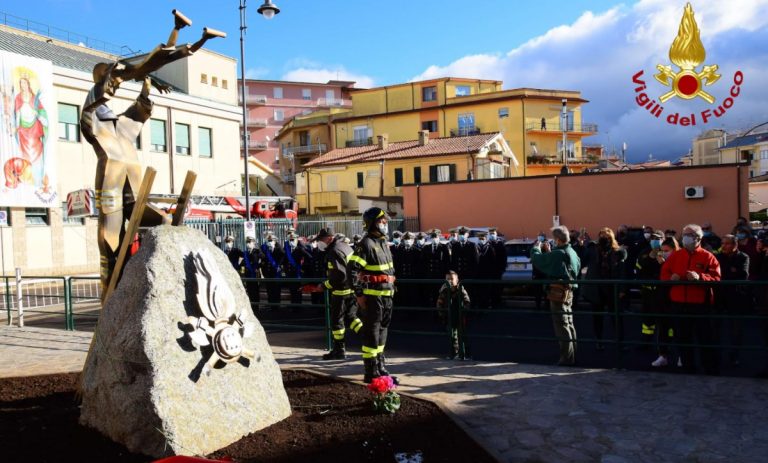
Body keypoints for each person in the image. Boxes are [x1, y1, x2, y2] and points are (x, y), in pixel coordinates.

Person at [660, 224, 721, 375]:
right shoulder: (676, 255)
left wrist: (700, 277)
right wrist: (670, 278)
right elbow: (663, 275)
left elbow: (717, 278)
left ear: (698, 238)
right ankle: (688, 368)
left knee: (705, 338)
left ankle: (709, 369)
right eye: (684, 234)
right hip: (678, 303)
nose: (685, 237)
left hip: (700, 304)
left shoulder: (708, 256)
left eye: (689, 235)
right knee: (682, 338)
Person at [349, 207, 397, 384]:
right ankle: (370, 370)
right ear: (372, 223)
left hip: (387, 295)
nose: (385, 222)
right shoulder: (366, 244)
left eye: (385, 220)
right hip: (373, 297)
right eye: (381, 220)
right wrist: (359, 294)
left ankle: (380, 364)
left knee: (383, 331)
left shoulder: (383, 242)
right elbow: (352, 270)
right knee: (372, 333)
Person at [530, 225, 581, 366]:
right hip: (569, 291)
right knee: (569, 323)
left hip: (558, 292)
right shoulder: (571, 251)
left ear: (558, 239)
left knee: (561, 325)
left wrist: (536, 248)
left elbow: (539, 260)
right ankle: (573, 355)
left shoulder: (559, 254)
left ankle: (566, 358)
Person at [315, 228, 363, 360]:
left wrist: (323, 286)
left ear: (329, 238)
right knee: (351, 318)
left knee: (337, 322)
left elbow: (339, 276)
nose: (319, 242)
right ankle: (369, 338)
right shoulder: (344, 246)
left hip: (340, 292)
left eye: (321, 239)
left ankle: (339, 350)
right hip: (351, 289)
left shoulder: (334, 251)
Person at [582, 227, 627, 351]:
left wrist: (622, 289)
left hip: (613, 289)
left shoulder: (618, 252)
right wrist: (582, 246)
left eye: (606, 236)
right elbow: (582, 261)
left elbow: (622, 271)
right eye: (601, 236)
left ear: (611, 238)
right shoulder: (592, 249)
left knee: (617, 318)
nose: (604, 238)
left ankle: (620, 343)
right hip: (597, 289)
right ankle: (599, 341)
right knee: (597, 318)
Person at [715, 234, 750, 366]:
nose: (723, 246)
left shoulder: (743, 257)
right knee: (716, 327)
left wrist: (729, 272)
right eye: (722, 243)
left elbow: (743, 275)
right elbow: (717, 274)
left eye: (727, 243)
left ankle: (734, 356)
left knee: (735, 329)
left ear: (735, 245)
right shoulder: (718, 257)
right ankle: (716, 354)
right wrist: (731, 271)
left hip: (736, 298)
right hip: (720, 297)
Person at [649, 237, 680, 367]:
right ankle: (662, 356)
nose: (664, 253)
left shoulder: (679, 259)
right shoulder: (659, 261)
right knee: (662, 328)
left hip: (676, 299)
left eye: (667, 250)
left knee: (679, 329)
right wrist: (654, 262)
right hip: (662, 298)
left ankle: (681, 356)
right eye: (662, 250)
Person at [634, 230, 665, 349]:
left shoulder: (666, 253)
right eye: (653, 238)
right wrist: (650, 258)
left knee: (663, 319)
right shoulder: (644, 253)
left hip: (661, 292)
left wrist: (662, 262)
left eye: (658, 238)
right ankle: (646, 342)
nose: (655, 241)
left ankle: (666, 345)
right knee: (647, 318)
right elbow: (638, 270)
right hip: (647, 292)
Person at [437, 270, 471, 360]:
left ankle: (465, 354)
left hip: (460, 315)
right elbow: (439, 303)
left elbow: (467, 301)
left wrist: (464, 311)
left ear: (457, 280)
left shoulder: (461, 288)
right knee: (452, 336)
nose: (450, 281)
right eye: (447, 279)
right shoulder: (444, 290)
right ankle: (453, 353)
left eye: (452, 279)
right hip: (449, 316)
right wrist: (442, 314)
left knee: (462, 335)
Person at [421, 228, 451, 307]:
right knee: (431, 296)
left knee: (440, 295)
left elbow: (447, 262)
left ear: (439, 237)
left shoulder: (444, 247)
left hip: (440, 276)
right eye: (433, 237)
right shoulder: (426, 248)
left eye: (436, 237)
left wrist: (446, 275)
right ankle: (432, 313)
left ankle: (441, 313)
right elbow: (423, 263)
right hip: (430, 276)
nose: (434, 239)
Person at [282, 231, 311, 307]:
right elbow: (284, 259)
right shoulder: (288, 250)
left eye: (293, 240)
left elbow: (309, 257)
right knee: (292, 290)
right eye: (290, 240)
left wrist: (303, 267)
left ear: (296, 240)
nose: (291, 241)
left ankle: (298, 306)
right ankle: (293, 305)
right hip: (289, 273)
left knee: (297, 291)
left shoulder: (300, 249)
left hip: (297, 273)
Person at [393, 232, 420, 312]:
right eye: (406, 239)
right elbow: (397, 264)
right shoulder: (399, 250)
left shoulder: (417, 251)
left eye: (410, 239)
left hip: (413, 278)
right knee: (403, 296)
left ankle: (413, 313)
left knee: (413, 296)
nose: (408, 241)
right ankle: (404, 313)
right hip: (402, 277)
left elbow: (418, 266)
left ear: (413, 240)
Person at [240, 237, 263, 314]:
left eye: (249, 242)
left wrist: (258, 266)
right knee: (250, 291)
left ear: (253, 243)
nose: (248, 244)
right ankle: (252, 307)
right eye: (247, 242)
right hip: (248, 274)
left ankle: (256, 308)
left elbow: (263, 258)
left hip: (255, 274)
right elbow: (242, 263)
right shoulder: (246, 253)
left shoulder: (257, 251)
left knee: (255, 291)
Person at [260, 234, 285, 307]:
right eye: (268, 240)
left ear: (274, 241)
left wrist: (279, 264)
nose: (269, 242)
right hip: (268, 272)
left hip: (276, 272)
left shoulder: (278, 248)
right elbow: (261, 255)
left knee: (276, 289)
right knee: (269, 289)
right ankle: (270, 304)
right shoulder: (265, 248)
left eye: (271, 240)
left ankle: (276, 305)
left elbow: (283, 255)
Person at [476, 231, 497, 310]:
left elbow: (493, 262)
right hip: (478, 273)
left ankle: (487, 305)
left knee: (487, 291)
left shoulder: (490, 248)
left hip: (487, 273)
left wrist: (492, 272)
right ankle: (480, 305)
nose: (481, 240)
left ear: (486, 238)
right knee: (479, 291)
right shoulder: (476, 247)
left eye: (483, 238)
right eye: (480, 238)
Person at [489, 227, 507, 308]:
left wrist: (503, 268)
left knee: (497, 286)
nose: (492, 235)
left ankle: (497, 300)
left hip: (498, 269)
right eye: (491, 234)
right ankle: (492, 300)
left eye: (493, 234)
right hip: (490, 269)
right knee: (491, 286)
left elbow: (504, 257)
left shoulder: (500, 244)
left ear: (496, 234)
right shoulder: (488, 244)